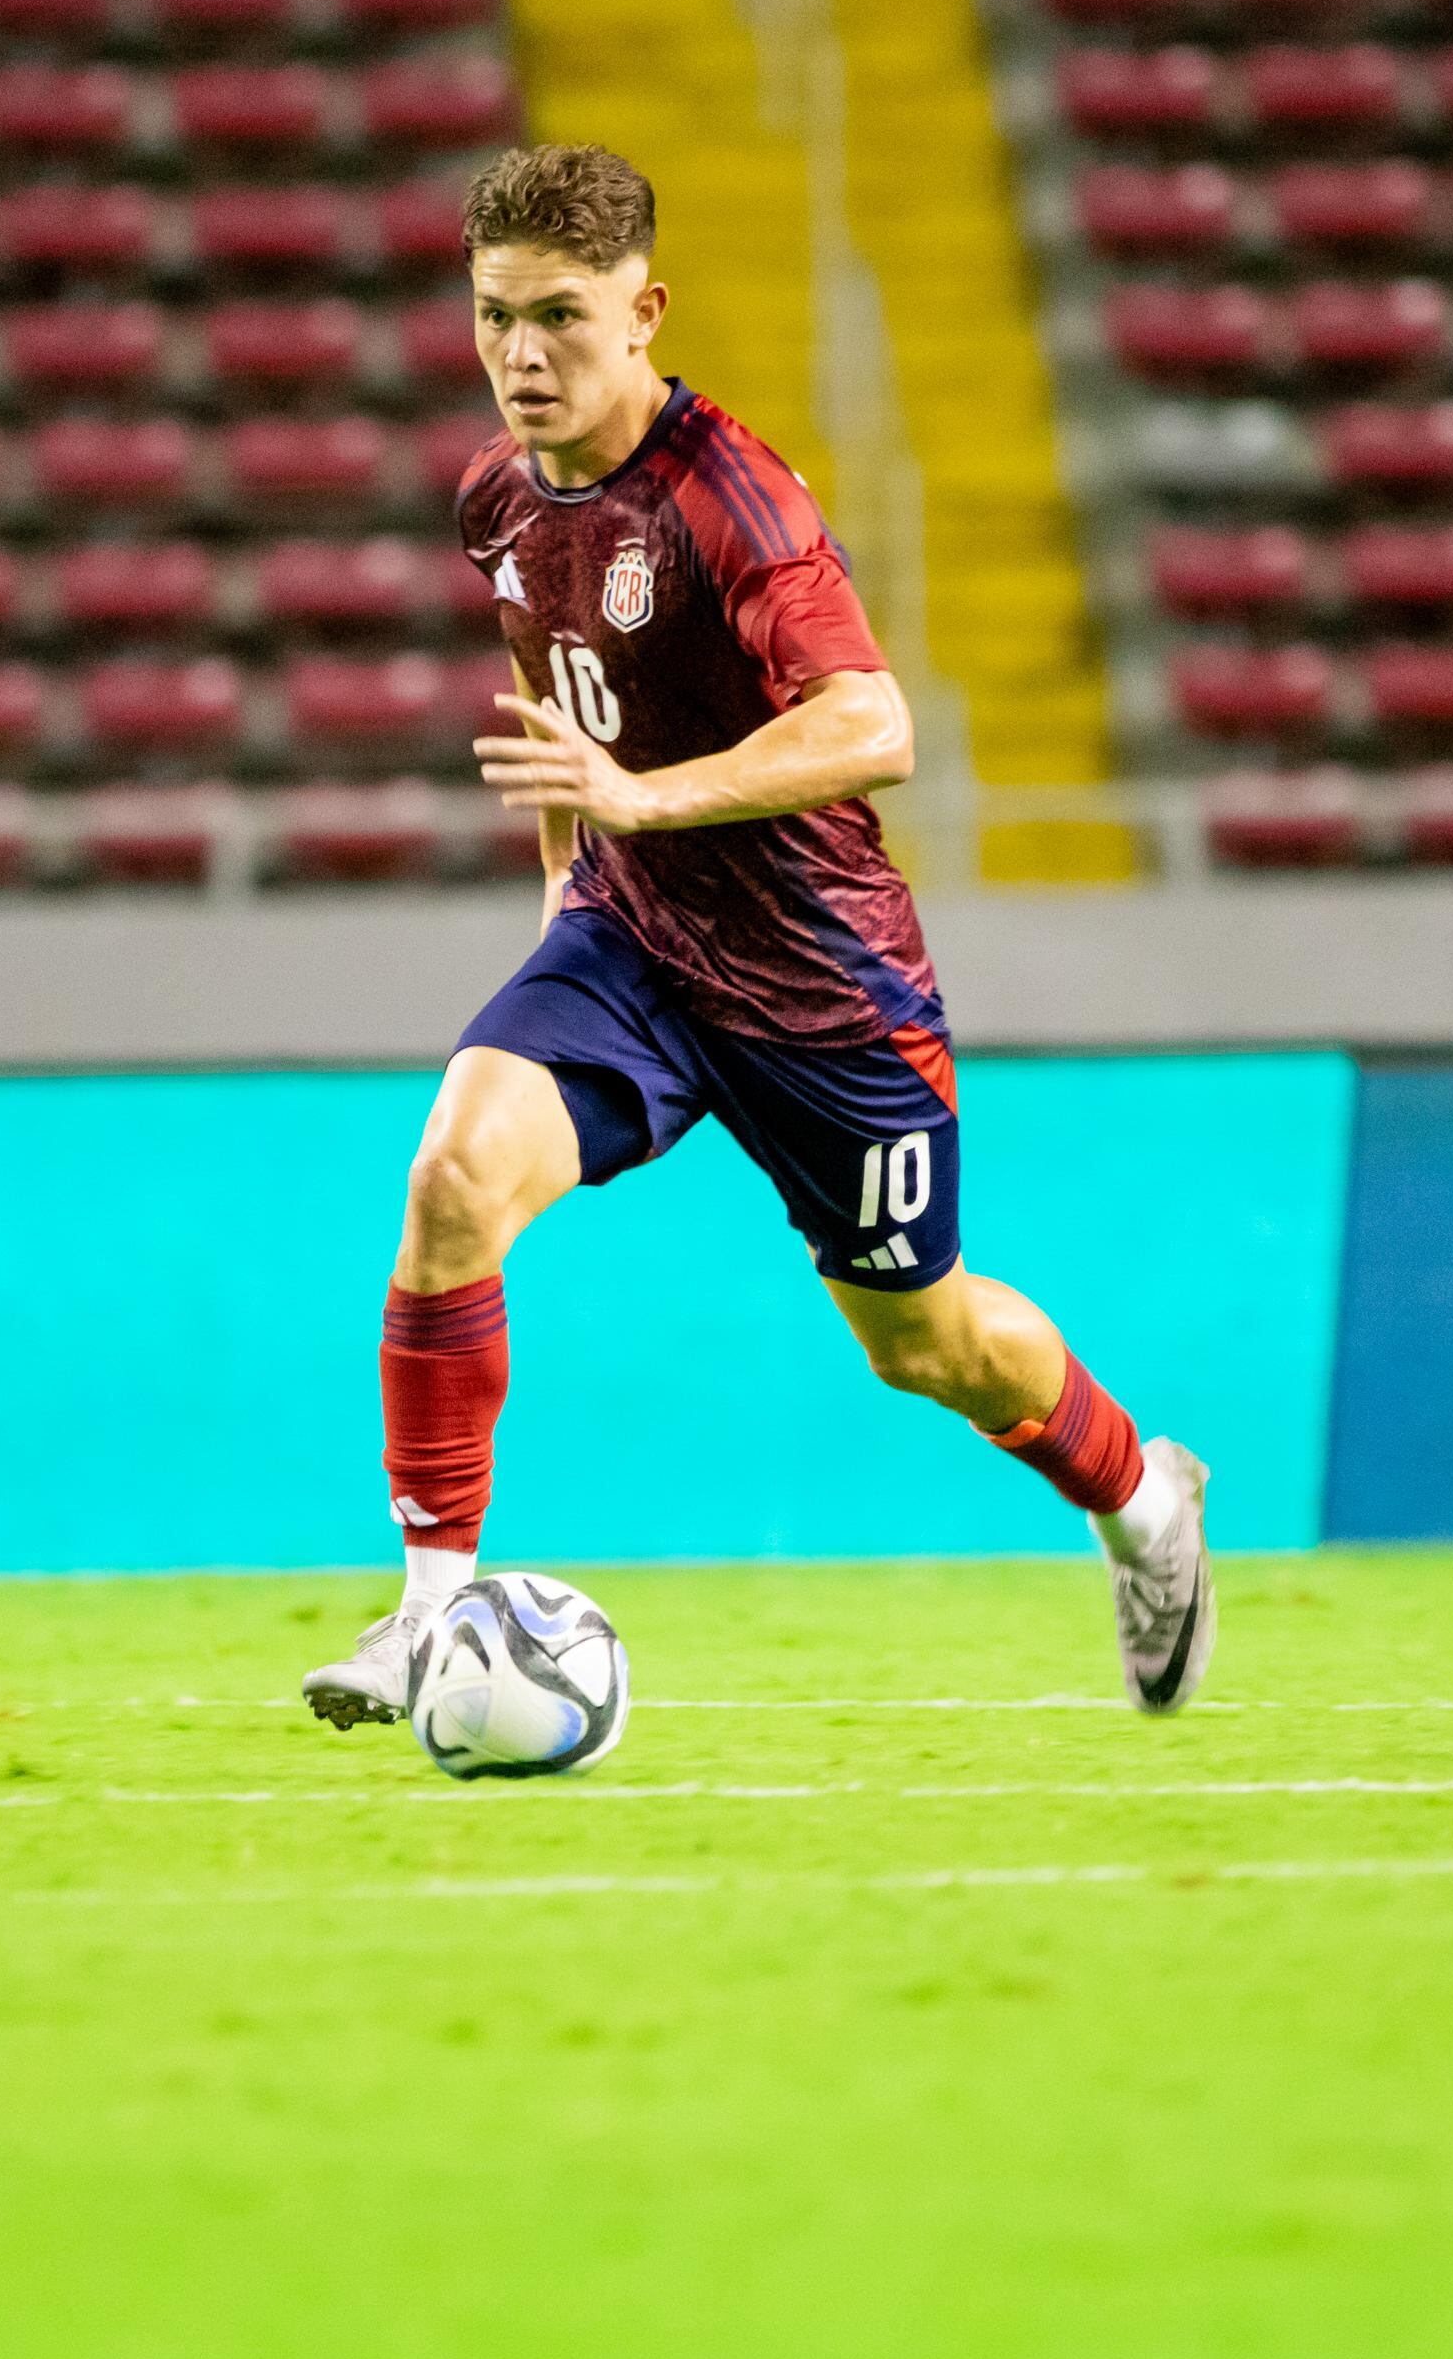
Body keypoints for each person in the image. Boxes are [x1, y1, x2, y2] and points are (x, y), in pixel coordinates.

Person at [300, 143, 1214, 1730]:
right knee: (451, 1180)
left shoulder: (733, 500)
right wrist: (566, 883)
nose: (523, 354)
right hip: (634, 946)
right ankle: (428, 1615)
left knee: (927, 1347)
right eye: (497, 315)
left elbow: (875, 724)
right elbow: (563, 708)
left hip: (819, 984)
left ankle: (1143, 1494)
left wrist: (638, 803)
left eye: (562, 316)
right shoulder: (498, 497)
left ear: (644, 313)